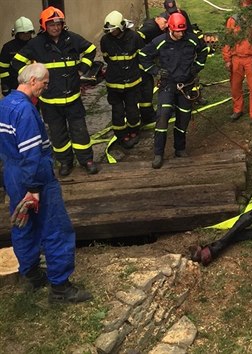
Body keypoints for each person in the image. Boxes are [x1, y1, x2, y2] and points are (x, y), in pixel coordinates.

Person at [0, 63, 92, 304]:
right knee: (55, 228)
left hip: (12, 171)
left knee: (23, 224)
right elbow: (31, 153)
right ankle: (60, 288)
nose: (45, 88)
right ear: (32, 81)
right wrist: (33, 189)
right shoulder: (26, 112)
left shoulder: (5, 104)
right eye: (45, 83)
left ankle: (31, 274)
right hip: (34, 174)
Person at [12, 6, 98, 177]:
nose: (56, 27)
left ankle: (86, 160)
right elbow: (17, 62)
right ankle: (65, 162)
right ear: (44, 25)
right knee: (58, 135)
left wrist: (82, 68)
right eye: (51, 24)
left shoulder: (71, 39)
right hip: (50, 101)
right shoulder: (36, 44)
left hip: (73, 98)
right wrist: (33, 79)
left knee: (80, 131)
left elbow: (90, 49)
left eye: (58, 24)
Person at [139, 13, 209, 169]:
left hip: (186, 85)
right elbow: (143, 55)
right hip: (167, 85)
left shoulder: (191, 39)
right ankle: (158, 153)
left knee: (183, 117)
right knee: (162, 117)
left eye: (183, 31)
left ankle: (180, 148)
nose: (181, 34)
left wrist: (196, 68)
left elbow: (203, 51)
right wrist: (156, 71)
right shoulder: (160, 42)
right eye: (178, 31)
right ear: (170, 28)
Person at [101, 10, 144, 149]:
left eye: (114, 29)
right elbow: (106, 57)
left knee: (132, 109)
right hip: (114, 83)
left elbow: (141, 55)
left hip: (132, 81)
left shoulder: (134, 37)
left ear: (121, 27)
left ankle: (134, 131)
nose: (111, 32)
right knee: (117, 111)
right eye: (109, 30)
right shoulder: (105, 41)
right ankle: (121, 135)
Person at [222, 0, 252, 127]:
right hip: (236, 58)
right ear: (241, 5)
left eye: (249, 6)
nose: (247, 8)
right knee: (235, 86)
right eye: (245, 5)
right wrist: (227, 59)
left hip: (251, 59)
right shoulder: (233, 20)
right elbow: (228, 40)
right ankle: (237, 110)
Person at [137, 14, 168, 125]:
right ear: (158, 18)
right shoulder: (151, 28)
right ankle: (147, 117)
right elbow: (138, 37)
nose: (166, 25)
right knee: (146, 90)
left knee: (147, 89)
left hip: (144, 63)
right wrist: (144, 50)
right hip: (141, 65)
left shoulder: (156, 27)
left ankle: (148, 114)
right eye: (165, 22)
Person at [0, 17, 35, 97]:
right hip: (14, 85)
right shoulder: (8, 48)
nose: (26, 35)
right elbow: (3, 69)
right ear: (16, 33)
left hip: (33, 84)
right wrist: (5, 86)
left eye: (28, 32)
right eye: (22, 33)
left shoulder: (35, 45)